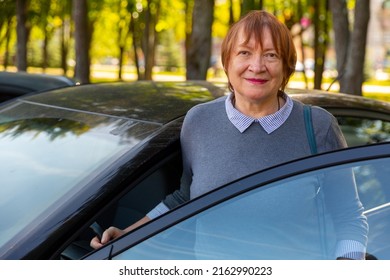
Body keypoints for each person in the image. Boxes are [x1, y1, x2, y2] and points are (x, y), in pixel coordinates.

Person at [91, 10, 368, 259]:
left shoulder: (318, 126)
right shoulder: (199, 121)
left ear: (286, 66)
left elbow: (350, 217)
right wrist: (129, 234)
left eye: (271, 55)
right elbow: (185, 198)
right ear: (227, 61)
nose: (257, 66)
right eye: (244, 53)